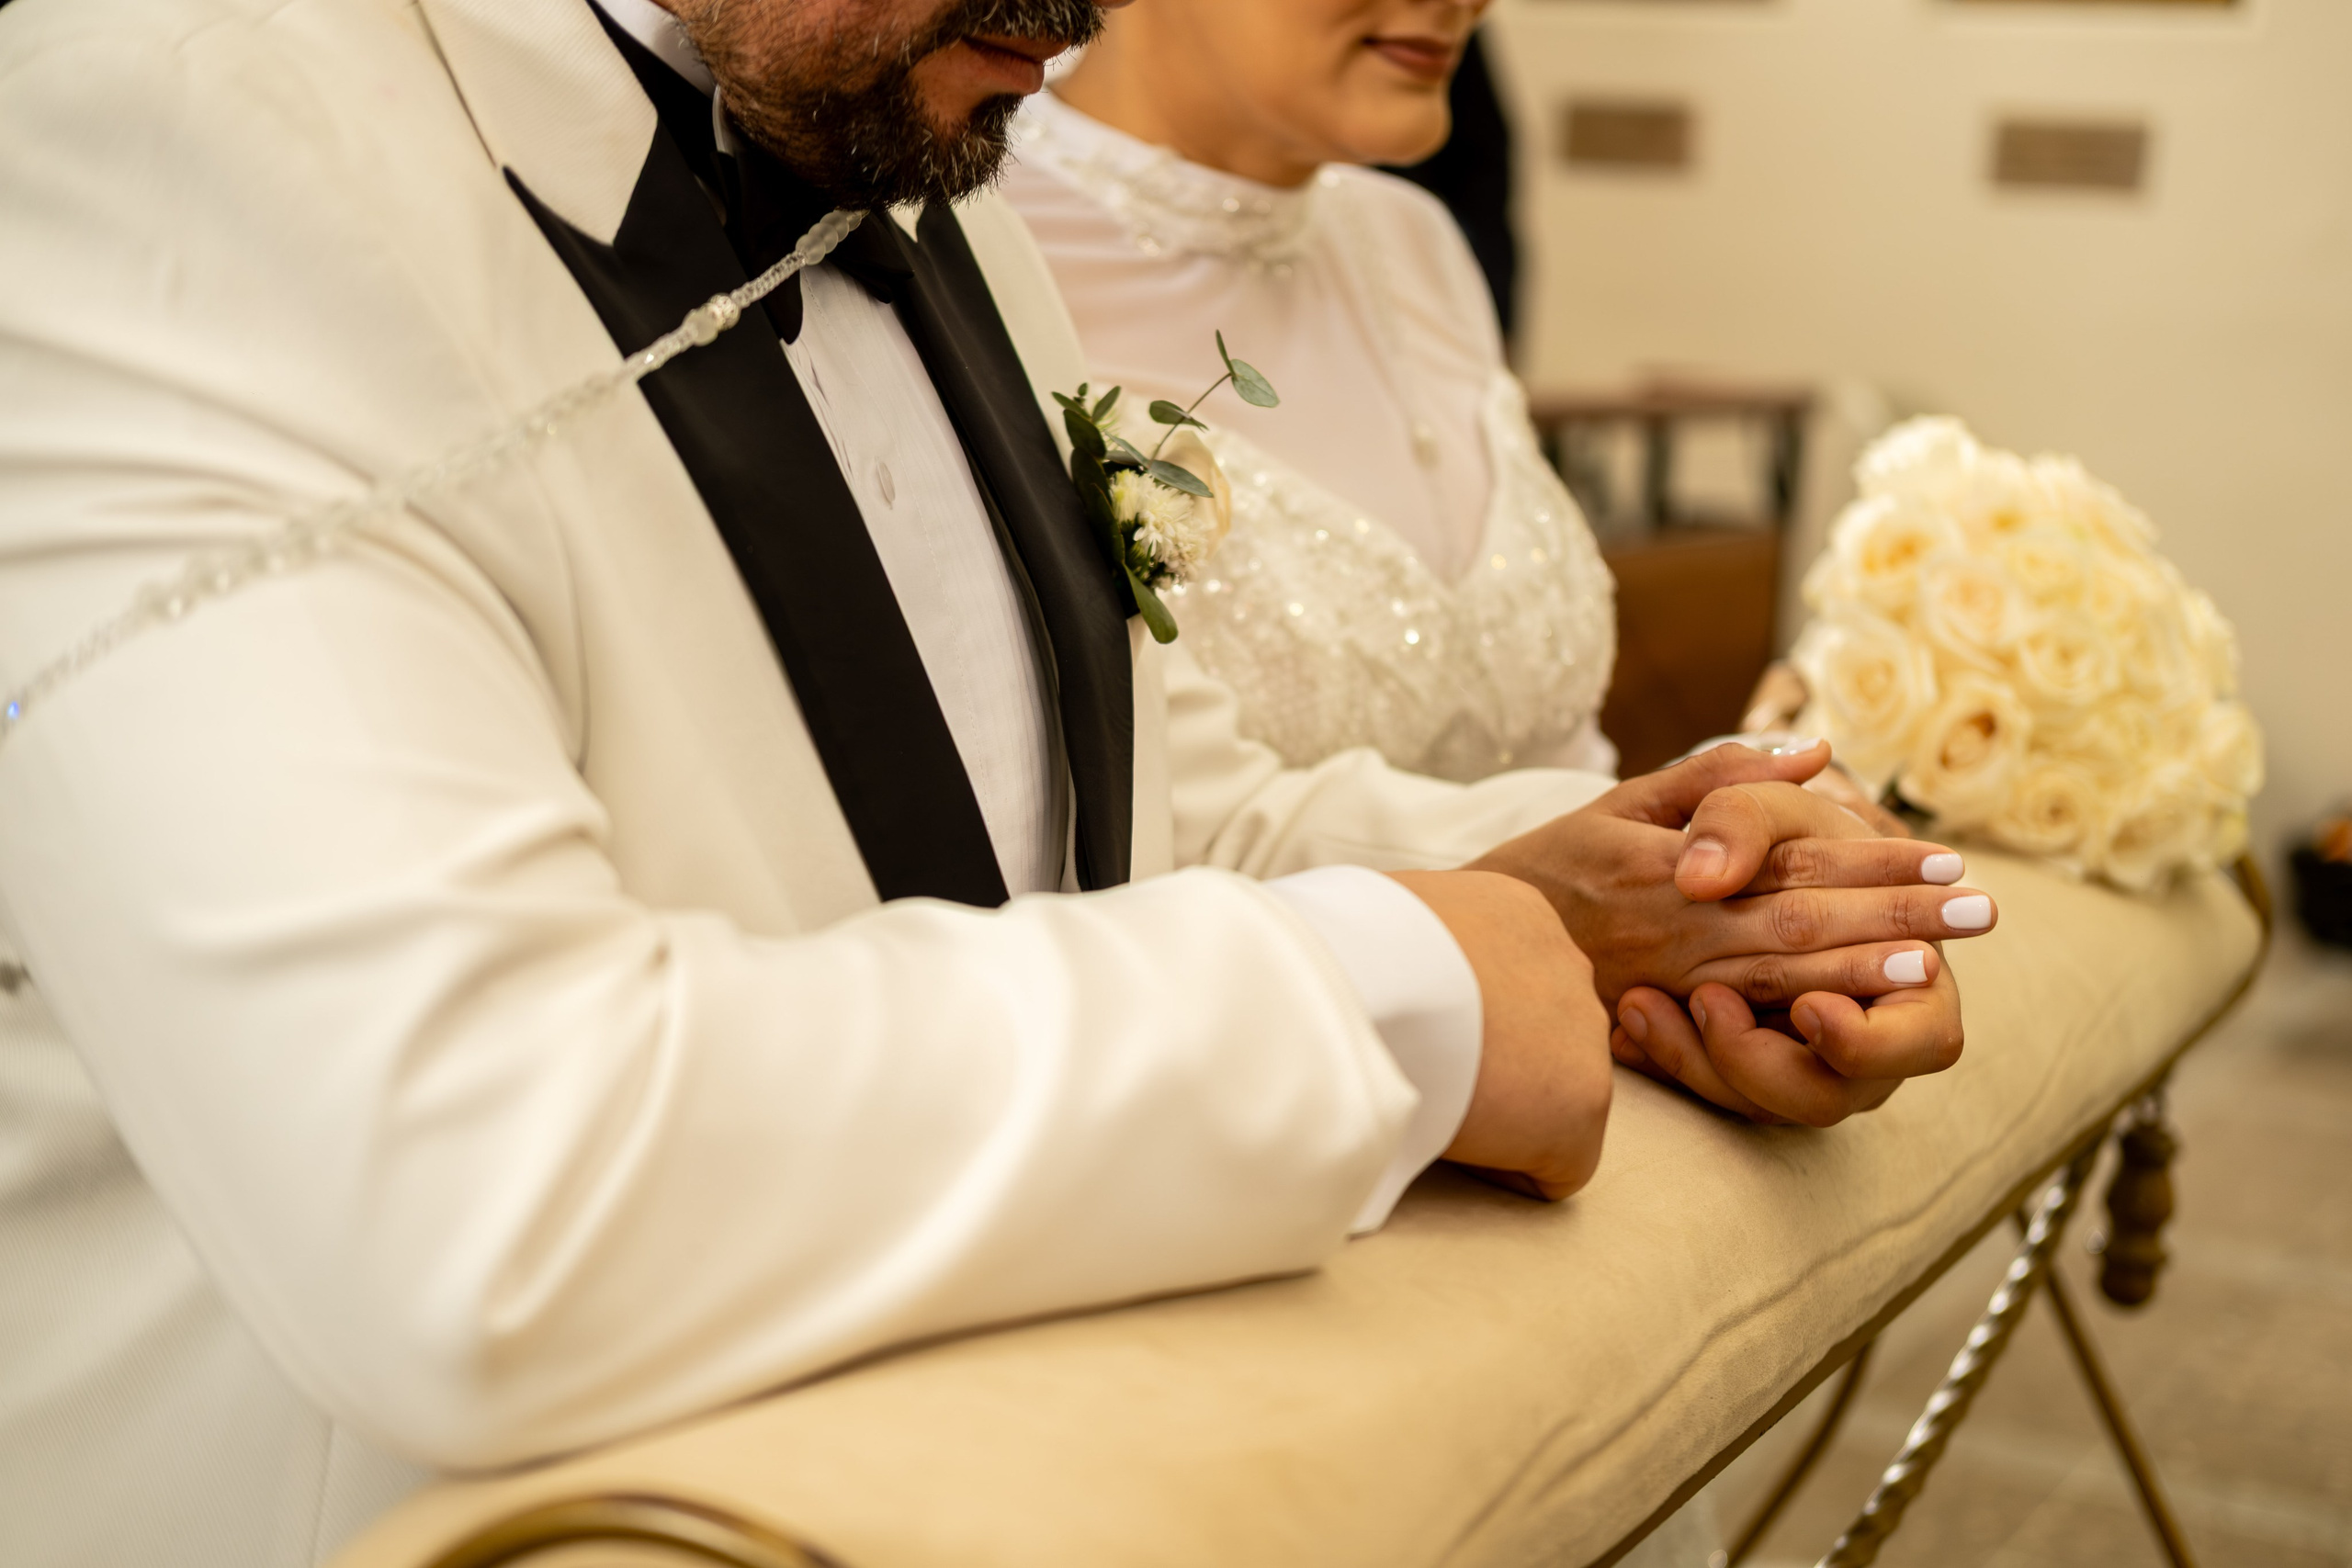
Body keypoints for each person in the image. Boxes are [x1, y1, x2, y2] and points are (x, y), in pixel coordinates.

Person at [0, 0, 1990, 1562]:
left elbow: (1136, 829)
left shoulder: (927, 144)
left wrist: (1623, 890)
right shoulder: (155, 151)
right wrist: (1402, 992)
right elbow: (465, 1178)